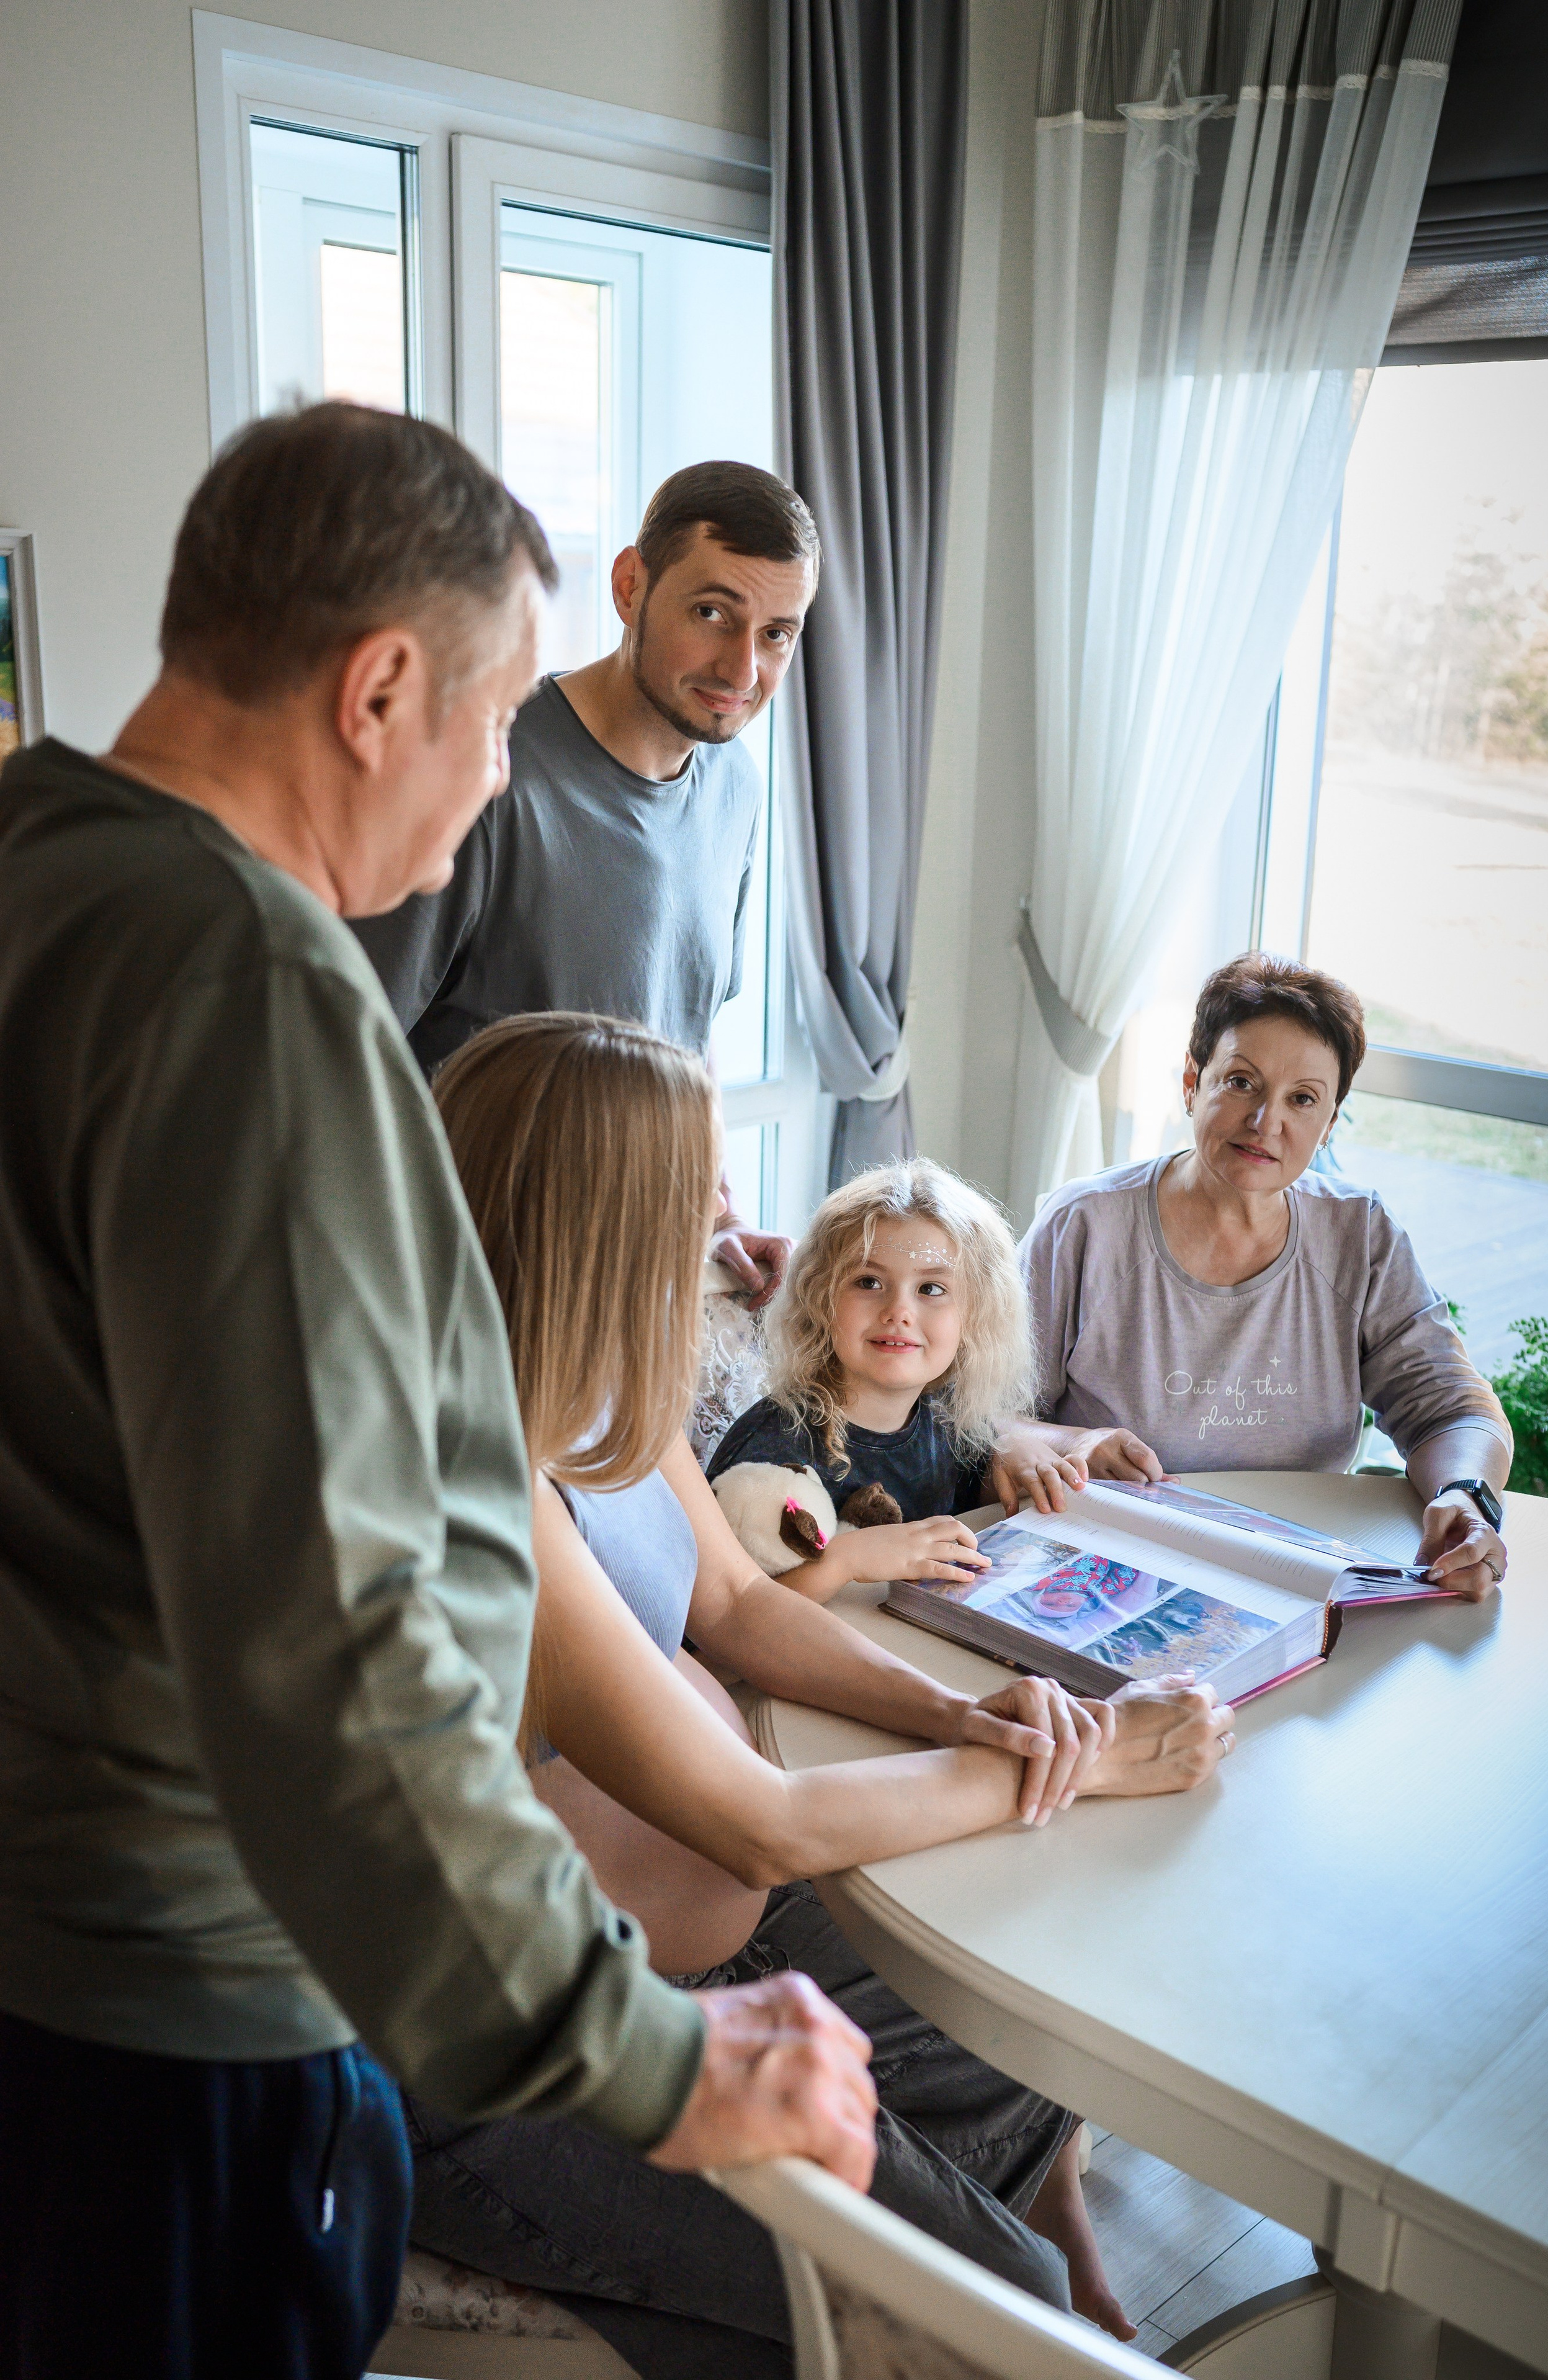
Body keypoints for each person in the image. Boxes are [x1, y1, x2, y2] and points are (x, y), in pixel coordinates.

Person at [0, 405, 877, 2380]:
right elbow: (334, 1639)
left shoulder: (38, 854)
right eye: (491, 729)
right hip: (190, 1996)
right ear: (378, 688)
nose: (493, 791)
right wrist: (653, 2063)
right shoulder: (246, 985)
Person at [408, 1012, 1235, 2372]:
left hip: (709, 1934)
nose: (727, 1221)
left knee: (1031, 2016)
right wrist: (1084, 1760)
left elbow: (733, 1611)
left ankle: (960, 2208)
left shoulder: (602, 1394)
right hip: (548, 2050)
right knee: (994, 2308)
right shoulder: (474, 1472)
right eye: (698, 1188)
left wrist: (961, 1717)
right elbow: (760, 1825)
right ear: (592, 1219)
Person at [352, 457, 815, 1302]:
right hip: (476, 1292)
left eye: (777, 633)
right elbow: (351, 1056)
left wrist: (717, 1215)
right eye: (713, 612)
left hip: (635, 1297)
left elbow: (688, 1030)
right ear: (631, 585)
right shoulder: (486, 775)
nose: (742, 669)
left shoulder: (737, 788)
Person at [1011, 953, 1512, 1597]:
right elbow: (984, 1419)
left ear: (1329, 1122)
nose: (1265, 1122)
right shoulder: (1083, 1225)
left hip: (1298, 1581)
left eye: (1301, 1099)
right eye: (1241, 1082)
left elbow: (1452, 1409)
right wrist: (1072, 1440)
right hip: (1104, 1566)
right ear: (1192, 1081)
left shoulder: (1358, 1234)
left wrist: (1466, 1496)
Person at [708, 1159, 1087, 1602]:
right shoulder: (772, 1444)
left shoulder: (950, 1425)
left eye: (931, 1289)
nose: (898, 1311)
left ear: (976, 1315)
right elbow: (722, 1617)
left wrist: (1009, 1453)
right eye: (868, 1281)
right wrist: (846, 1558)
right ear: (819, 1298)